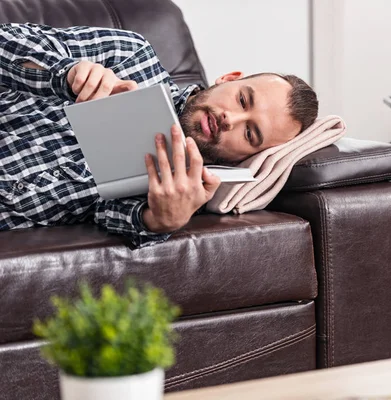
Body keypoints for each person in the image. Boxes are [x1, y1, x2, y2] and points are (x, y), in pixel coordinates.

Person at [0, 23, 318, 247]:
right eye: (241, 100)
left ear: (248, 156)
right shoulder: (132, 57)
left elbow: (108, 217)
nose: (229, 119)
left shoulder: (179, 188)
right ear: (228, 78)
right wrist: (64, 74)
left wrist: (160, 221)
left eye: (249, 133)